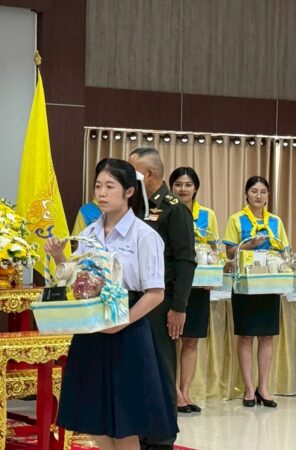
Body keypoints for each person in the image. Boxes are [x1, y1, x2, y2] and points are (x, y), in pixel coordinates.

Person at [45, 158, 177, 450]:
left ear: (129, 192)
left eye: (109, 186)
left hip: (127, 330)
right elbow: (77, 281)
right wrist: (59, 257)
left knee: (126, 421)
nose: (101, 193)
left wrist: (121, 322)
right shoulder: (89, 233)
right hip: (93, 330)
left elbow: (155, 293)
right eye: (98, 186)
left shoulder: (145, 236)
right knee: (96, 419)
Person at [128, 147, 196, 450]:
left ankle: (162, 437)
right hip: (136, 300)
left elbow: (185, 261)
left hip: (162, 303)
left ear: (149, 174)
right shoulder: (134, 207)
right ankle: (141, 431)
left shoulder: (174, 209)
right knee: (139, 366)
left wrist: (179, 307)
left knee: (161, 369)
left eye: (133, 171)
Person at [223, 176, 289, 409]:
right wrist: (250, 245)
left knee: (267, 336)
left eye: (263, 191)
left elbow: (284, 250)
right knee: (246, 335)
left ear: (268, 195)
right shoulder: (236, 219)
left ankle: (264, 387)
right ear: (246, 194)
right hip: (245, 284)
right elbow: (229, 252)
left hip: (268, 283)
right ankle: (249, 388)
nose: (258, 196)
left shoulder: (275, 221)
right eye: (254, 191)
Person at [169, 167, 219, 414]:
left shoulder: (207, 215)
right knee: (171, 341)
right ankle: (174, 394)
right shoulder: (164, 211)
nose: (183, 189)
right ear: (171, 187)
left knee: (191, 341)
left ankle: (185, 392)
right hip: (174, 286)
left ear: (196, 188)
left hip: (199, 285)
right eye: (178, 184)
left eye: (188, 185)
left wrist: (214, 272)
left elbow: (215, 249)